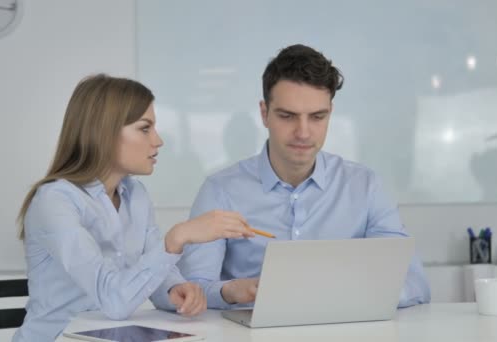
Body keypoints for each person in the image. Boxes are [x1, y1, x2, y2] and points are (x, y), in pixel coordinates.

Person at [178, 44, 431, 309]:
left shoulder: (365, 187)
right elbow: (192, 288)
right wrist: (230, 291)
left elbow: (413, 283)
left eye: (317, 117)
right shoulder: (221, 191)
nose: (303, 132)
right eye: (288, 116)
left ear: (330, 113)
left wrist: (347, 294)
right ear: (265, 114)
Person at [12, 74, 254, 341]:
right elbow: (114, 300)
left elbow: (155, 279)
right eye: (144, 128)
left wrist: (176, 290)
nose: (158, 140)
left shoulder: (135, 195)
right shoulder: (55, 201)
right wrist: (177, 238)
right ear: (104, 132)